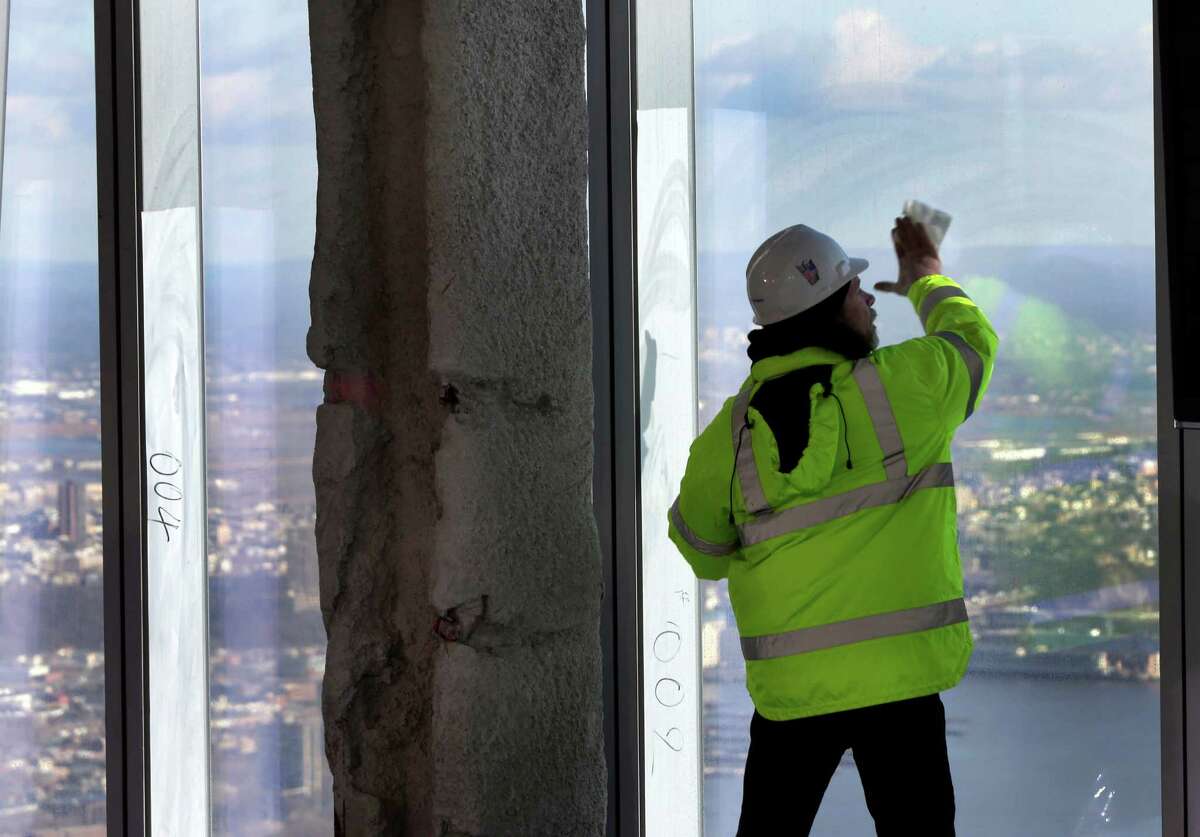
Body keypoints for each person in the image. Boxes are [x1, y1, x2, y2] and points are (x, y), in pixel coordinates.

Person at [667, 217, 998, 835]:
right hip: (901, 685)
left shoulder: (726, 437)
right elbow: (973, 341)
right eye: (855, 292)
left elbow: (703, 553)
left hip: (793, 694)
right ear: (826, 308)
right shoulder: (907, 386)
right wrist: (926, 275)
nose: (870, 299)